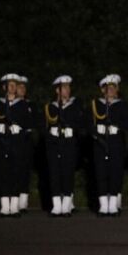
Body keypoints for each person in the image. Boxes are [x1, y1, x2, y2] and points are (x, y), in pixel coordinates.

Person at [0, 74, 34, 216]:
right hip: (1, 144)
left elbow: (29, 123)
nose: (13, 87)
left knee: (15, 173)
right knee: (3, 174)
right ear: (4, 87)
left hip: (17, 143)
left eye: (15, 85)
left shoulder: (23, 104)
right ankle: (4, 207)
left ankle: (14, 207)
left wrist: (19, 128)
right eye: (10, 85)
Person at [91, 74, 128, 216]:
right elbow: (87, 123)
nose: (110, 90)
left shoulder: (122, 105)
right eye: (107, 88)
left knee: (115, 172)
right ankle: (103, 205)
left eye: (113, 87)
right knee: (101, 172)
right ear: (102, 90)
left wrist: (118, 127)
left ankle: (113, 204)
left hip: (116, 143)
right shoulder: (96, 105)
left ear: (117, 89)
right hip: (100, 142)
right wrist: (96, 130)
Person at [44, 75, 85, 216]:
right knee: (55, 173)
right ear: (57, 90)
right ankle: (56, 206)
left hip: (69, 143)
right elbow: (44, 126)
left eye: (68, 87)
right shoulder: (50, 107)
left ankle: (66, 206)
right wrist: (51, 134)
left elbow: (81, 123)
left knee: (67, 174)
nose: (67, 90)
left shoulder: (74, 106)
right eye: (64, 87)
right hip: (54, 144)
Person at [14, 75, 37, 212]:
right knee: (13, 169)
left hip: (26, 139)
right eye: (19, 86)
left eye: (24, 87)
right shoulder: (8, 104)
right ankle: (13, 199)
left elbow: (33, 121)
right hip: (13, 138)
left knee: (25, 169)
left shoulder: (30, 105)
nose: (22, 89)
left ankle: (23, 202)